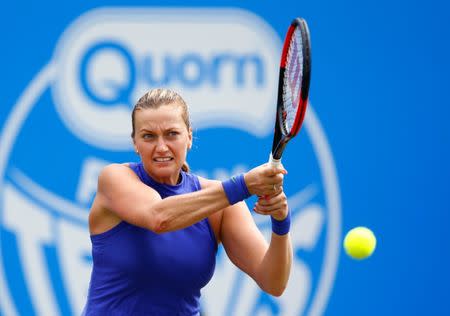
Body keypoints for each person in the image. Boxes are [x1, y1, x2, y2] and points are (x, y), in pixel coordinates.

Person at [83, 88, 292, 315]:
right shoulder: (114, 179)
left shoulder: (220, 205)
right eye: (148, 136)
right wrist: (244, 186)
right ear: (135, 143)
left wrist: (281, 220)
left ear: (189, 137)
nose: (161, 147)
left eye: (172, 134)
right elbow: (159, 217)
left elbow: (273, 282)